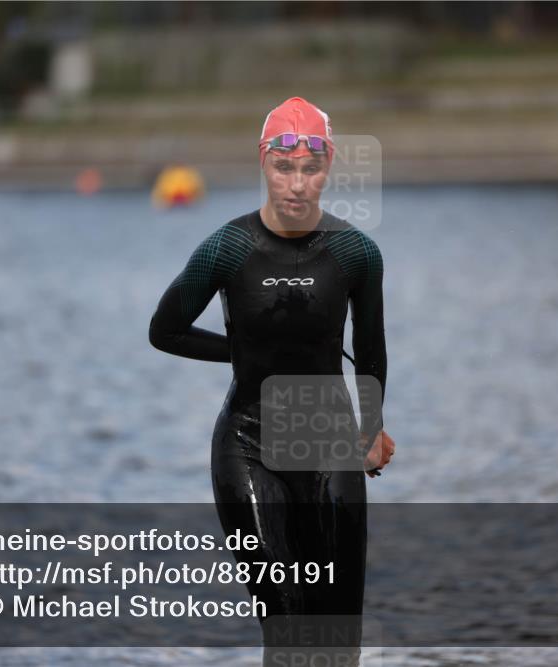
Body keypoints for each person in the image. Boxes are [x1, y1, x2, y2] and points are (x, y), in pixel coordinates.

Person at [149, 96, 395, 665]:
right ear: (264, 163)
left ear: (328, 167)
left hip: (329, 441)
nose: (297, 184)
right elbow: (165, 330)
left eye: (311, 169)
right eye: (285, 167)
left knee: (337, 640)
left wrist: (372, 429)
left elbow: (371, 350)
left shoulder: (357, 254)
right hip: (249, 445)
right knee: (286, 626)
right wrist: (245, 353)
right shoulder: (228, 248)